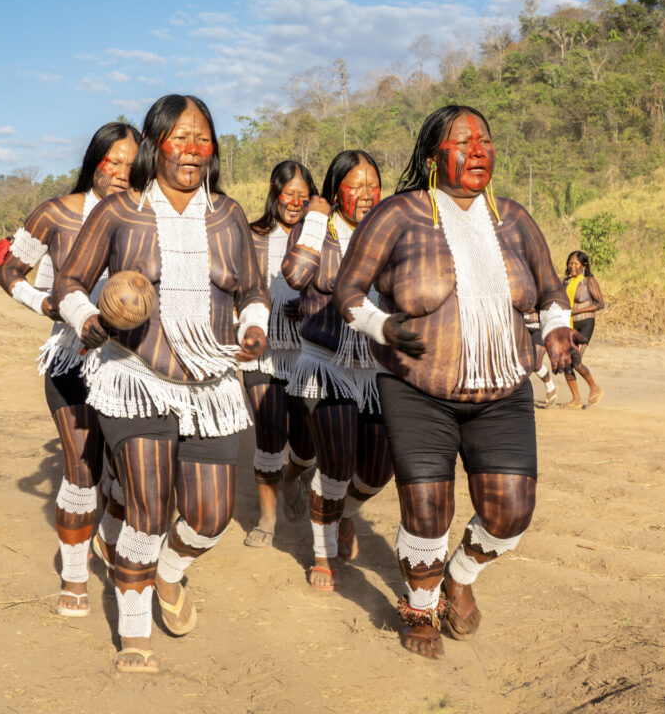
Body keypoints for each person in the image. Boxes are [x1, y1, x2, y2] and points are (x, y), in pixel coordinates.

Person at [333, 105, 581, 659]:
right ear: (432, 157)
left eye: (485, 141)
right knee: (427, 512)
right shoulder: (398, 215)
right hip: (417, 389)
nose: (478, 151)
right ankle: (420, 609)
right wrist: (381, 326)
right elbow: (348, 291)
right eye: (463, 142)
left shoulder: (513, 219)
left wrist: (556, 331)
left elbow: (550, 291)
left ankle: (460, 575)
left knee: (511, 511)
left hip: (503, 390)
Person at [53, 94, 270, 673]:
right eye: (180, 138)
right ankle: (134, 634)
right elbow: (68, 283)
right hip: (136, 376)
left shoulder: (228, 214)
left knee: (211, 517)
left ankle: (169, 573)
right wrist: (88, 318)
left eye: (203, 139)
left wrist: (253, 326)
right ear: (155, 145)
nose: (193, 149)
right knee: (148, 509)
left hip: (212, 384)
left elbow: (253, 290)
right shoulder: (119, 211)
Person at [0, 122, 140, 617]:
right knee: (82, 471)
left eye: (131, 165)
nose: (121, 173)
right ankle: (74, 574)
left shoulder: (146, 215)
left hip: (135, 365)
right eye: (112, 162)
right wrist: (44, 303)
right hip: (71, 357)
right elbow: (9, 269)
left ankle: (109, 536)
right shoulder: (55, 213)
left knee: (129, 474)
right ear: (94, 160)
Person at [282, 150, 393, 592]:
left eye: (373, 186)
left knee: (378, 471)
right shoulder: (316, 231)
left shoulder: (387, 230)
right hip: (325, 364)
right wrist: (315, 216)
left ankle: (345, 513)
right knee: (337, 465)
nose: (366, 195)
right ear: (334, 191)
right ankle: (323, 553)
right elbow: (296, 276)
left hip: (376, 369)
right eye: (356, 186)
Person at [240, 161, 317, 547]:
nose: (296, 202)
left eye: (304, 196)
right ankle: (267, 518)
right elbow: (237, 285)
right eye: (290, 194)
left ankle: (292, 477)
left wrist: (311, 308)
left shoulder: (319, 238)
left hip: (308, 354)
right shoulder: (251, 236)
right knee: (269, 434)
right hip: (263, 353)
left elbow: (336, 285)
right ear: (275, 192)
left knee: (307, 444)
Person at [560, 250, 605, 408]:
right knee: (566, 362)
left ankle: (594, 388)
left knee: (575, 360)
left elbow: (600, 304)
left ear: (584, 265)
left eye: (575, 264)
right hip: (568, 324)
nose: (572, 266)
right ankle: (576, 399)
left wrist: (577, 311)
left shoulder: (589, 281)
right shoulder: (565, 282)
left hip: (585, 323)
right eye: (570, 263)